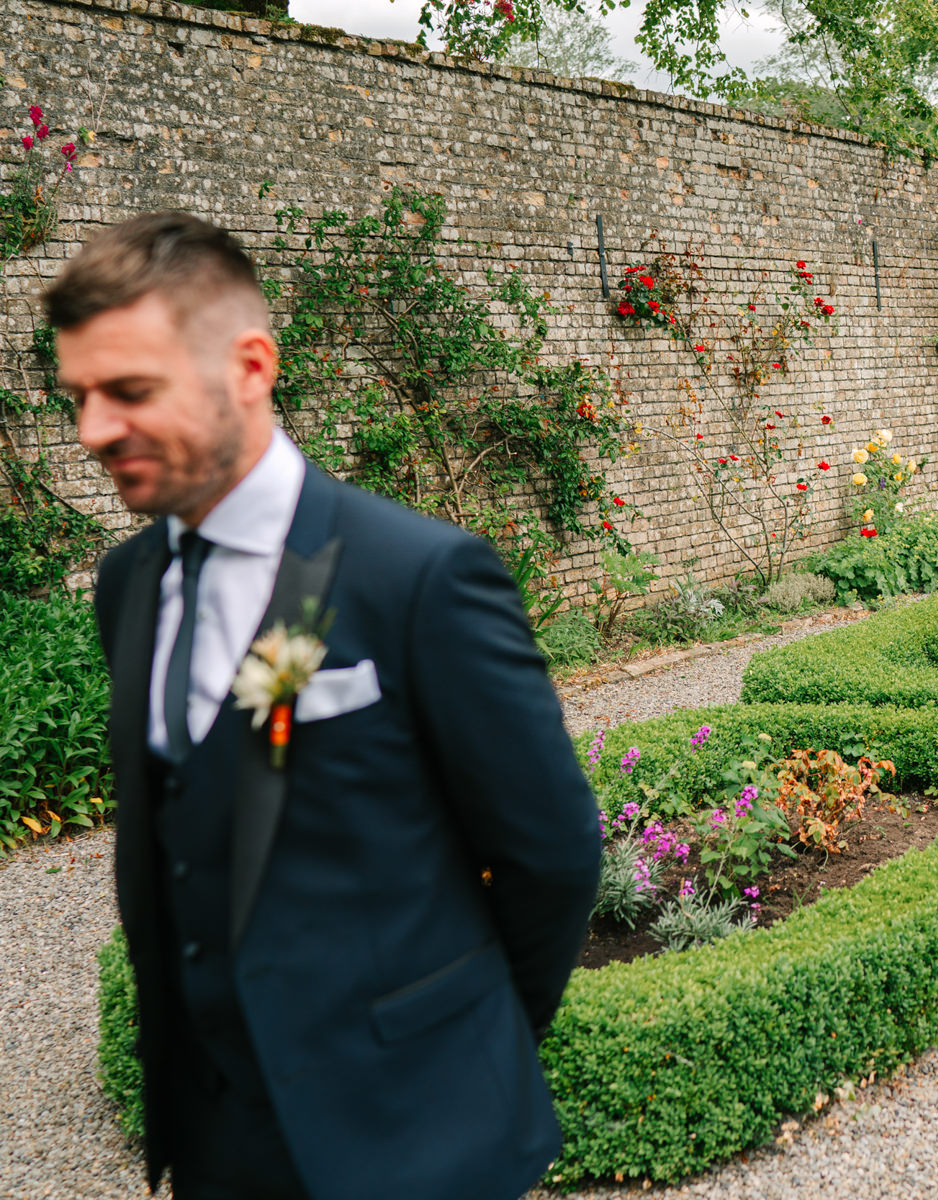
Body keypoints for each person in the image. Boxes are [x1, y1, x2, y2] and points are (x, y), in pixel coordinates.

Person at [51, 212, 602, 1199]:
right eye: (80, 397)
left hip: (414, 1142)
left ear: (251, 368)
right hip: (218, 1146)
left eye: (130, 391)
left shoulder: (421, 577)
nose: (95, 431)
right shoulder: (127, 584)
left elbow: (552, 857)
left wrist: (456, 1059)